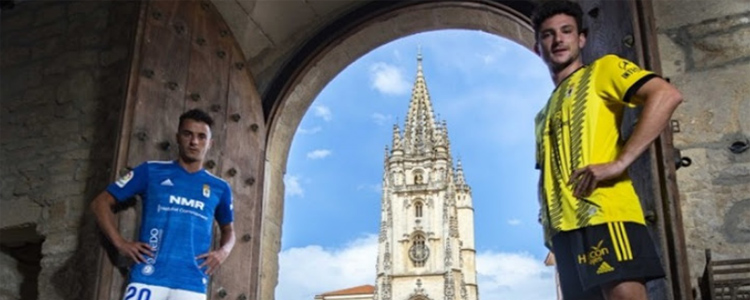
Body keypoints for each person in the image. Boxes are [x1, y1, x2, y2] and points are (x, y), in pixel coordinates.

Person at [531, 1, 683, 299]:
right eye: (548, 34)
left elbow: (665, 95)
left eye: (566, 31)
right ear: (538, 47)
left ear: (581, 38)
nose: (559, 39)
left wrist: (620, 161)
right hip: (563, 235)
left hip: (604, 216)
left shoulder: (603, 70)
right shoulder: (543, 113)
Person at [91, 109, 236, 300]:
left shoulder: (220, 187)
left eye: (201, 137)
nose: (194, 142)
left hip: (191, 282)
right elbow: (100, 203)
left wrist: (223, 252)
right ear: (177, 137)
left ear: (210, 143)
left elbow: (229, 230)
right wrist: (121, 244)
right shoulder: (150, 171)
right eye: (188, 134)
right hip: (147, 276)